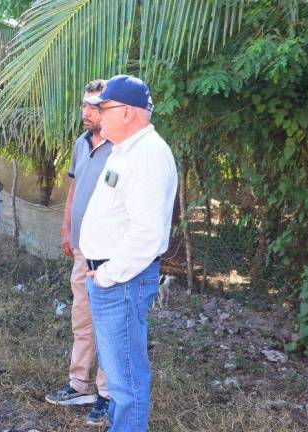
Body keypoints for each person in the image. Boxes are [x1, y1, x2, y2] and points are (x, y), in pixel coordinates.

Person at [80, 75, 178, 431]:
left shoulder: (148, 155)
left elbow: (146, 235)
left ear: (126, 112)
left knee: (126, 380)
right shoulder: (128, 150)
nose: (95, 114)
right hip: (112, 278)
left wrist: (106, 274)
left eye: (102, 108)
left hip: (120, 280)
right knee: (121, 375)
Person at [45, 79, 112, 427]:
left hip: (111, 254)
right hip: (83, 248)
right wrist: (66, 228)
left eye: (94, 106)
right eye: (84, 105)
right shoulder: (81, 142)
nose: (86, 112)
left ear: (112, 108)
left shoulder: (122, 148)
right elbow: (74, 187)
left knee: (107, 322)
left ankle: (106, 393)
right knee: (81, 318)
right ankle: (79, 384)